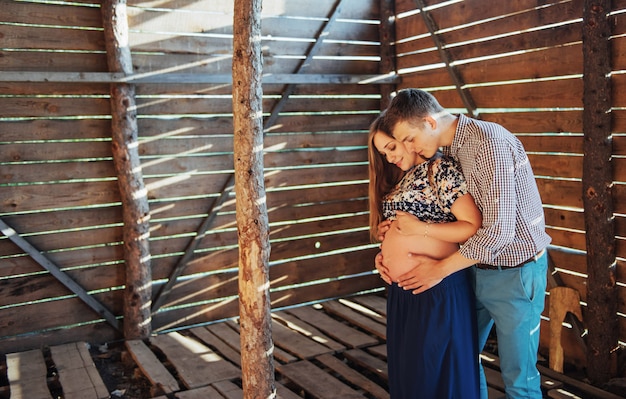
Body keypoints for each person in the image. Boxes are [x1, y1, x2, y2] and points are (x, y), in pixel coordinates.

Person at [376, 88, 552, 399]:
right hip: (472, 270)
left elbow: (498, 232)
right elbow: (444, 211)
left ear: (430, 123)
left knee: (518, 379)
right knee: (464, 362)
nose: (409, 149)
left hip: (514, 272)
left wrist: (439, 269)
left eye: (409, 139)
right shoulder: (447, 150)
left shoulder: (488, 144)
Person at [368, 115, 482, 399]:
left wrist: (417, 230)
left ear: (407, 137)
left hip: (436, 286)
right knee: (411, 376)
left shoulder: (440, 169)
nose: (390, 156)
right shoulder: (401, 177)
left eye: (392, 147)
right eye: (383, 153)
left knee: (437, 375)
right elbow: (401, 230)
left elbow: (471, 226)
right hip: (403, 290)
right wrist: (384, 256)